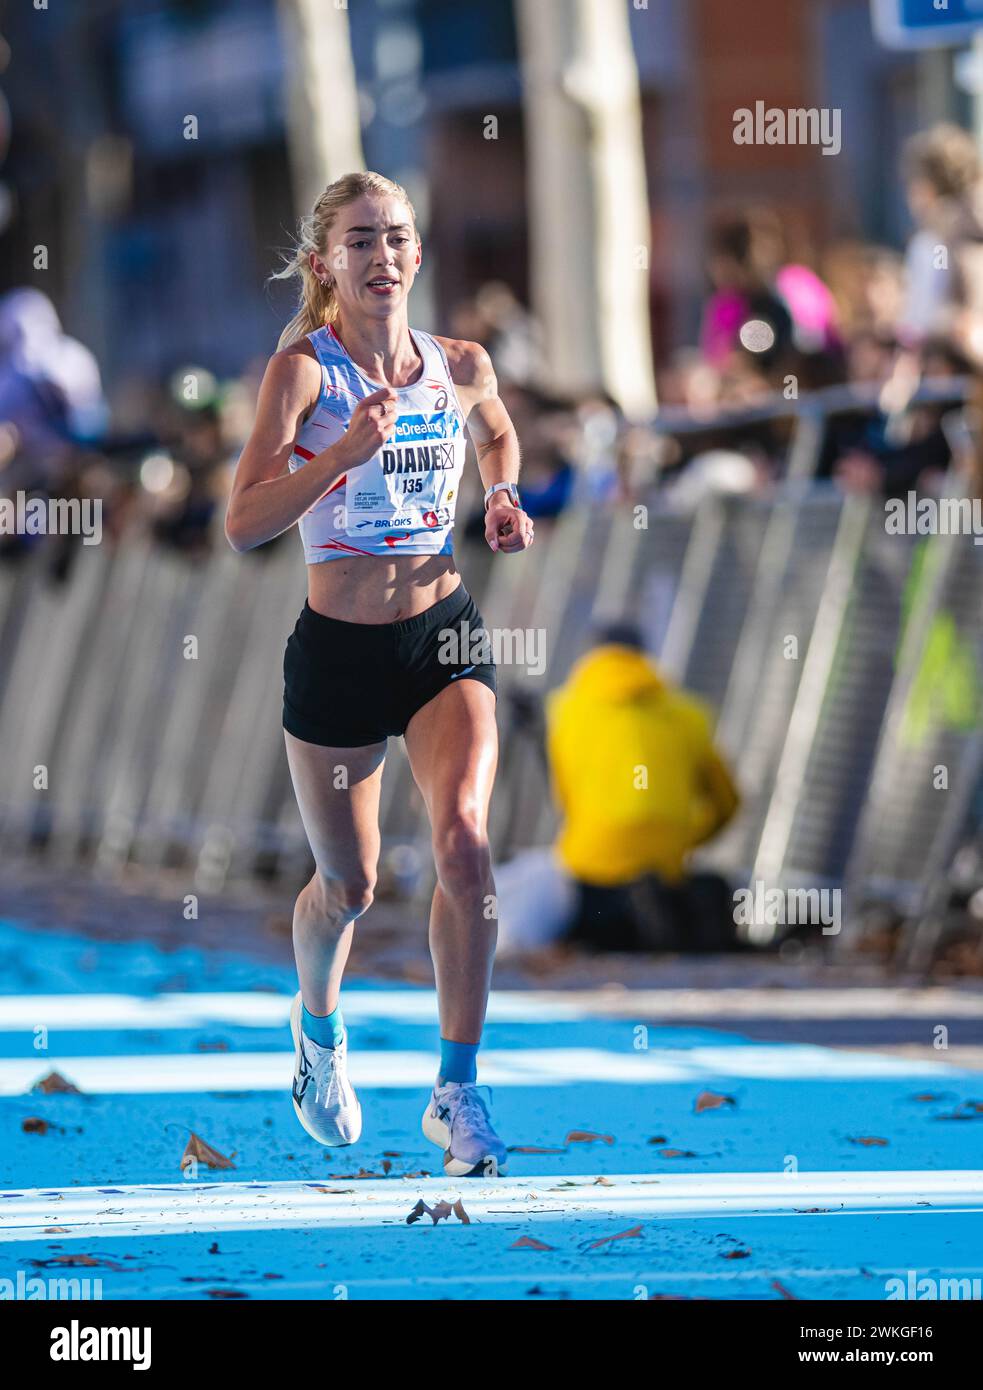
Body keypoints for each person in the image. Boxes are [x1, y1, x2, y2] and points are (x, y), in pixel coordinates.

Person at [224, 172, 534, 1177]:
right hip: (338, 653)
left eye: (395, 237)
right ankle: (316, 1033)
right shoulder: (303, 376)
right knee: (348, 886)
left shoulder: (459, 362)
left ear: (416, 250)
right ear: (325, 264)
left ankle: (457, 1088)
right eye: (359, 241)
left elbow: (493, 429)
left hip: (439, 633)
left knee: (464, 846)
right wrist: (340, 456)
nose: (383, 257)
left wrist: (500, 497)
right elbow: (243, 524)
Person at [545, 622, 740, 952]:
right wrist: (687, 839)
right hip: (666, 863)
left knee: (591, 909)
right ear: (643, 658)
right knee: (683, 890)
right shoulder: (690, 714)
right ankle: (653, 906)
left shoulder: (565, 710)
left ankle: (626, 915)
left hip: (593, 866)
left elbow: (565, 800)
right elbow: (728, 802)